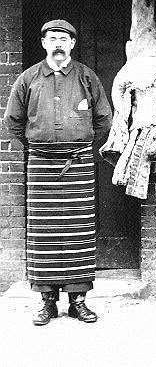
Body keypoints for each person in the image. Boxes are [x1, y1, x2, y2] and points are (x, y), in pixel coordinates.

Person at [3, 19, 112, 325]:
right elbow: (14, 122)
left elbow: (103, 118)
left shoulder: (86, 77)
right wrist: (41, 147)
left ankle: (78, 301)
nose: (58, 44)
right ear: (44, 44)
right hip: (40, 163)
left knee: (77, 233)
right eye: (52, 39)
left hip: (78, 162)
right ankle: (47, 302)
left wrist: (80, 145)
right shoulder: (28, 79)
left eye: (64, 39)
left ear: (72, 44)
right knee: (44, 233)